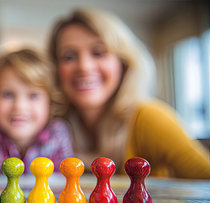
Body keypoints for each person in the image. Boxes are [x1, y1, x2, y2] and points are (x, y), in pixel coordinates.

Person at [48, 8, 210, 179]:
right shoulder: (50, 128)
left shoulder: (149, 118)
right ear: (55, 70)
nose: (84, 66)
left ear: (123, 64)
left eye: (98, 52)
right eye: (69, 56)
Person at [0, 49, 74, 175]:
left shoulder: (58, 134)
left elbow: (65, 183)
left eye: (33, 95)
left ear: (50, 102)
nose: (19, 106)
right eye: (8, 94)